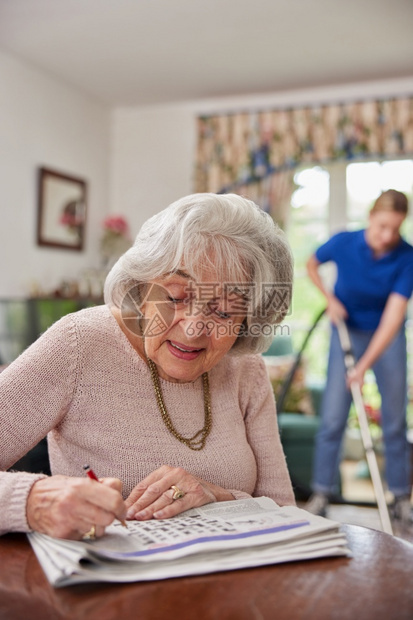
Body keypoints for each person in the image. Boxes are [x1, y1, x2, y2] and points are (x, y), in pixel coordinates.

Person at [0, 193, 295, 540]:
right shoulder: (80, 343)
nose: (194, 328)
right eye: (175, 297)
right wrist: (34, 501)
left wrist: (218, 495)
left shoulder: (246, 368)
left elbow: (285, 512)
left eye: (224, 310)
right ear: (141, 286)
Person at [305, 189, 413, 526]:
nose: (387, 236)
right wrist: (329, 298)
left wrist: (363, 368)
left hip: (387, 336)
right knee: (333, 418)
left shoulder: (407, 257)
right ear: (370, 217)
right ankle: (321, 492)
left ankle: (401, 497)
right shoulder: (343, 243)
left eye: (395, 229)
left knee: (394, 421)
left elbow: (393, 319)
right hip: (346, 332)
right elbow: (311, 263)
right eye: (382, 226)